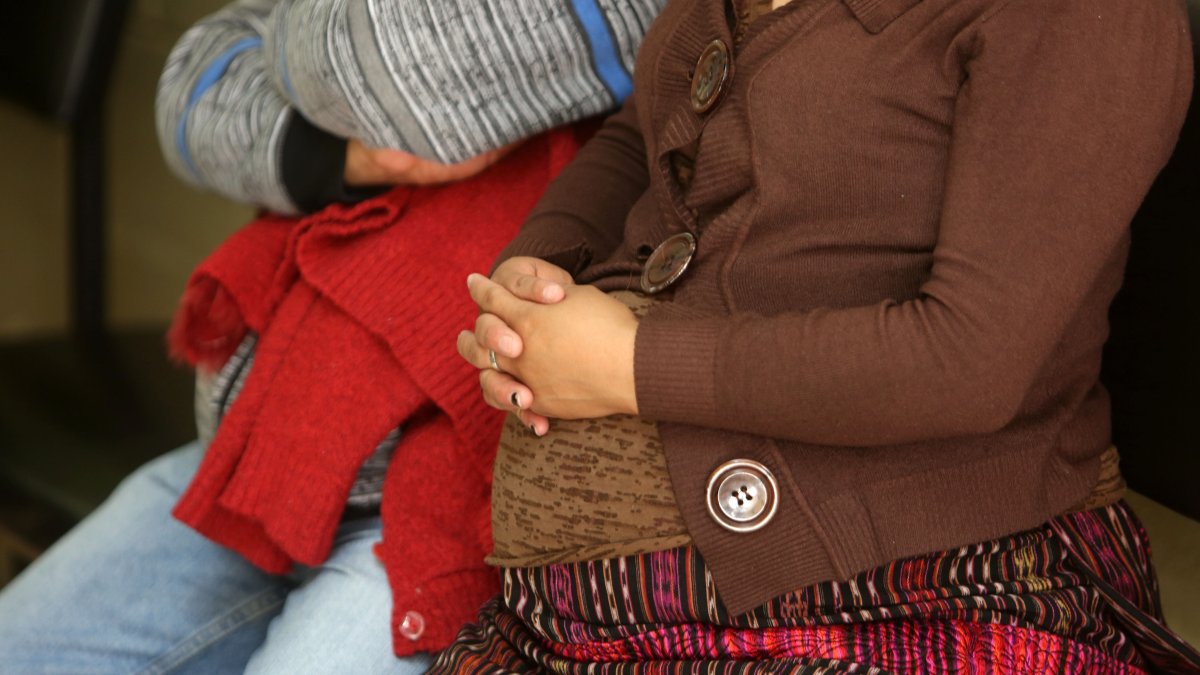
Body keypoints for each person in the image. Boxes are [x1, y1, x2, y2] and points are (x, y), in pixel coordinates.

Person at [447, 0, 1200, 670]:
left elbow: (967, 361)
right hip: (567, 625)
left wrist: (628, 365)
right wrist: (534, 274)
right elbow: (639, 124)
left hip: (911, 601)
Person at [0, 0, 663, 672]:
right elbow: (189, 88)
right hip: (267, 449)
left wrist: (296, 46)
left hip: (449, 512)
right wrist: (346, 153)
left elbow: (385, 65)